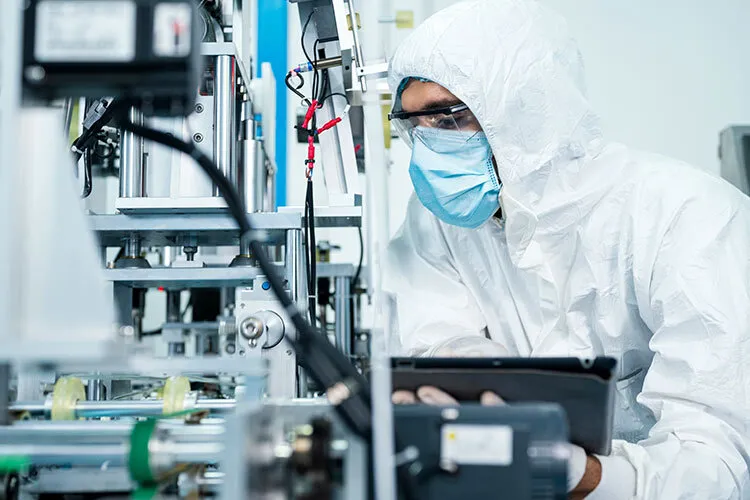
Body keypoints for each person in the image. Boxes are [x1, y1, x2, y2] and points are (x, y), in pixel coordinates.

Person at [382, 0, 750, 498]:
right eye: (412, 125)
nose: (428, 147)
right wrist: (489, 406)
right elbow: (434, 345)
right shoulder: (439, 222)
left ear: (522, 113)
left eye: (448, 119)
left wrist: (579, 473)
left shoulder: (686, 217)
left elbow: (719, 458)